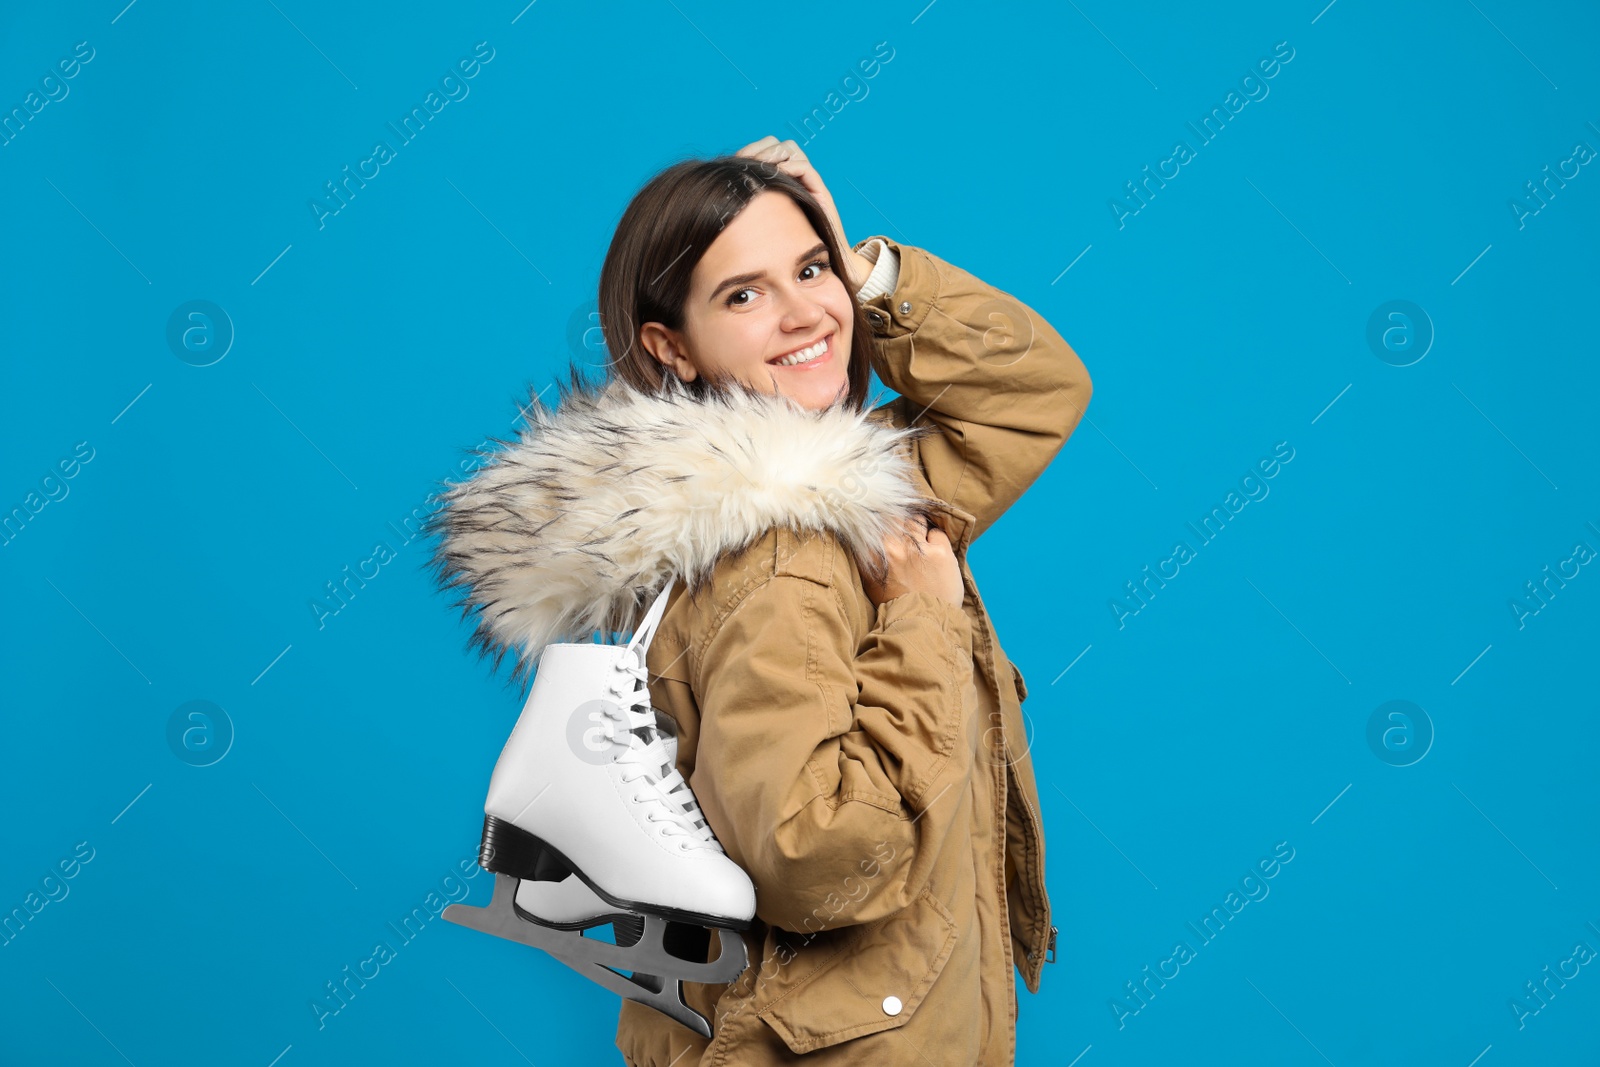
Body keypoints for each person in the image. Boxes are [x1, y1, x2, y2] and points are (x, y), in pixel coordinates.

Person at [431, 135, 1091, 1065]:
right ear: (673, 347)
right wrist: (927, 623)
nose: (803, 314)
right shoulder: (782, 551)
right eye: (744, 294)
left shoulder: (852, 496)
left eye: (809, 269)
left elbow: (1031, 391)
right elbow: (819, 860)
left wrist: (866, 272)